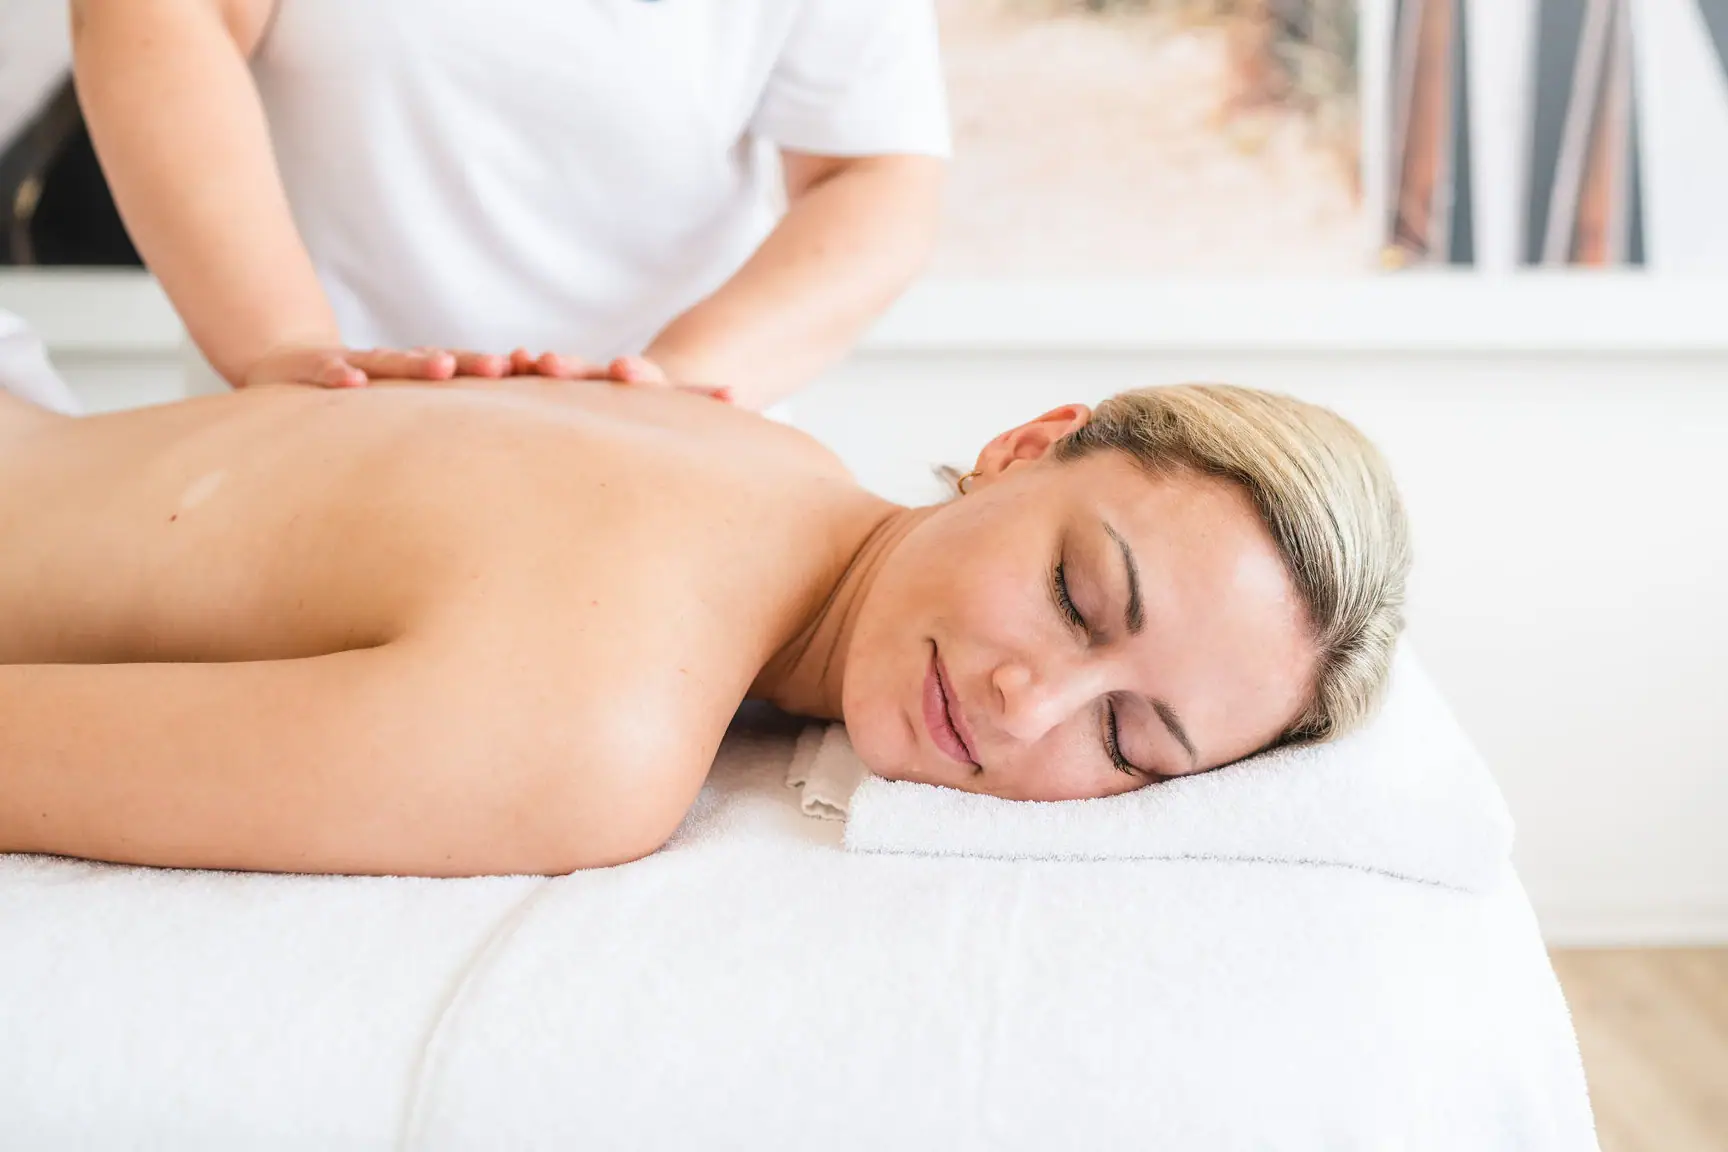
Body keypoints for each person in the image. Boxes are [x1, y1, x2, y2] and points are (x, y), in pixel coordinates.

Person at [0, 375, 1410, 877]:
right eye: (1076, 597)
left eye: (1127, 741)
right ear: (1026, 446)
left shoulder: (743, 435)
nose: (1024, 704)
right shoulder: (598, 740)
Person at [70, 0, 949, 406]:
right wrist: (286, 349)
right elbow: (152, 17)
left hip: (661, 470)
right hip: (304, 449)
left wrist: (673, 385)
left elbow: (873, 173)